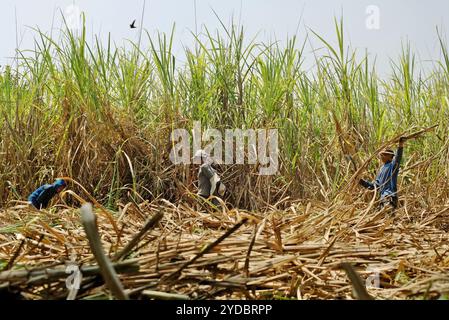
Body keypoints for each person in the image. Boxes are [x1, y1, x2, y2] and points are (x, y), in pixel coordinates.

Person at [359, 137, 406, 210]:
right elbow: (375, 186)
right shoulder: (381, 169)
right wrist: (361, 181)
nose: (382, 156)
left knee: (388, 218)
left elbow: (398, 158)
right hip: (383, 199)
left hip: (389, 197)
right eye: (382, 154)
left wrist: (400, 145)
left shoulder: (393, 166)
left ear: (390, 157)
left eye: (384, 154)